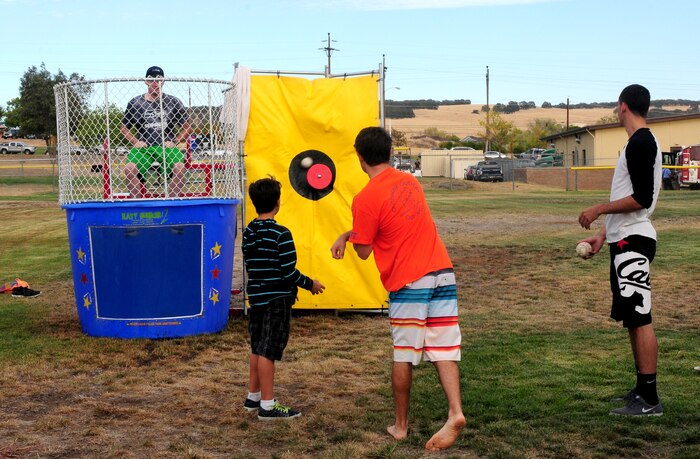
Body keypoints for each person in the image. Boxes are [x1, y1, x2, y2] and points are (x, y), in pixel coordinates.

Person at [331, 127, 466, 451]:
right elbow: (393, 223)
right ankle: (455, 412)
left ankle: (401, 426)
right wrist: (352, 232)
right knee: (443, 348)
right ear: (391, 153)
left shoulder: (365, 198)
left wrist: (347, 236)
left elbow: (364, 249)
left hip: (409, 282)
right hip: (442, 272)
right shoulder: (410, 182)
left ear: (360, 157)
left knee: (404, 354)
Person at [577, 84, 663, 417]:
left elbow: (641, 199)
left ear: (622, 106)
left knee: (640, 317)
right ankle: (641, 391)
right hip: (624, 237)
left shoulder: (641, 142)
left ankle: (651, 399)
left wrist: (598, 208)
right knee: (632, 317)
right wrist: (603, 235)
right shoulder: (638, 142)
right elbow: (636, 202)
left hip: (634, 240)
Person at [242, 177, 325, 421]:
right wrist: (310, 285)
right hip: (276, 301)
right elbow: (288, 272)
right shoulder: (282, 234)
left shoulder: (248, 231)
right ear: (278, 202)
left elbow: (252, 263)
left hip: (256, 297)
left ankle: (253, 397)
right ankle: (267, 406)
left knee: (257, 347)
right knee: (269, 350)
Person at [120, 66, 192, 198]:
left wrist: (175, 141)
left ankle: (171, 202)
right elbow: (123, 128)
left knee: (180, 167)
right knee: (129, 168)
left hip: (166, 147)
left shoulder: (173, 101)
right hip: (144, 148)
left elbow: (188, 127)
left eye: (159, 80)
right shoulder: (136, 103)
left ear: (163, 81)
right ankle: (137, 203)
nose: (155, 83)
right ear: (145, 81)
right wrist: (135, 141)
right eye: (151, 79)